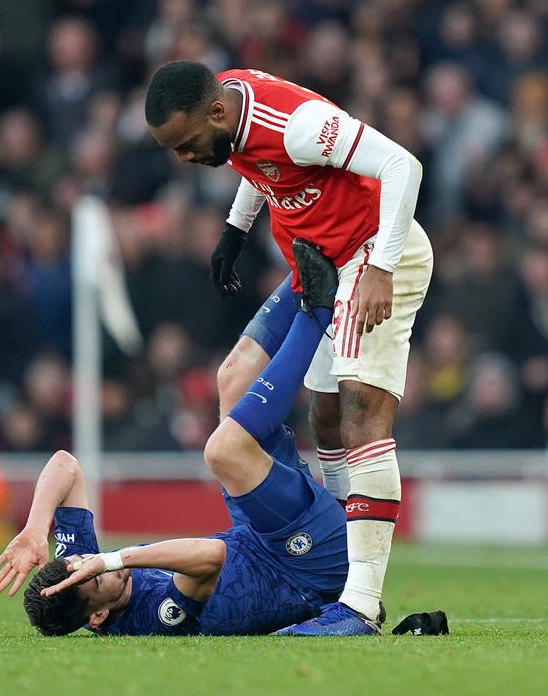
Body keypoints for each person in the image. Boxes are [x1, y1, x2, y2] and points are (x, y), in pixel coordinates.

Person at [144, 60, 434, 635]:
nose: (183, 158)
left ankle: (360, 605)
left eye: (187, 144)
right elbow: (263, 167)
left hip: (374, 256)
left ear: (216, 113)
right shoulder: (231, 101)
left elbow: (404, 164)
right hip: (327, 264)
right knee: (324, 420)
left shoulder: (298, 124)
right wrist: (235, 229)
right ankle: (338, 576)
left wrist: (379, 267)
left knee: (360, 415)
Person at [0, 241, 367, 636]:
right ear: (97, 617)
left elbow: (65, 465)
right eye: (96, 577)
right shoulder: (154, 617)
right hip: (305, 567)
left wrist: (36, 530)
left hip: (258, 535)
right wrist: (114, 561)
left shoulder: (79, 571)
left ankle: (313, 266)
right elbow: (211, 556)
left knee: (233, 378)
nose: (93, 563)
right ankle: (321, 306)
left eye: (87, 563)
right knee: (223, 450)